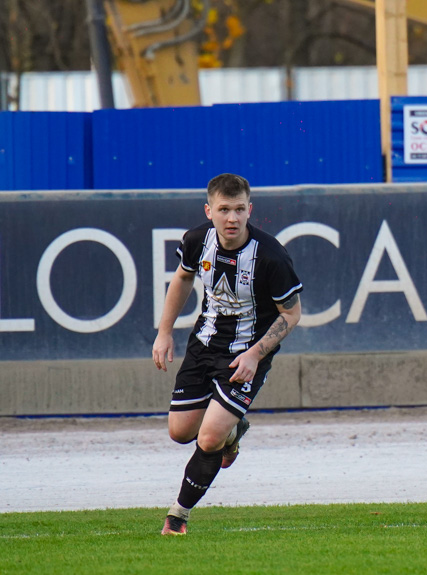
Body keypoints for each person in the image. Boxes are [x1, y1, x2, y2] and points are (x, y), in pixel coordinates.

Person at [152, 173, 303, 535]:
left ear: (250, 210)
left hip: (246, 355)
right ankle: (233, 433)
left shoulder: (270, 256)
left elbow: (292, 313)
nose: (232, 218)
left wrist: (255, 355)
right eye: (223, 210)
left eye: (239, 209)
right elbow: (184, 278)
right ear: (210, 211)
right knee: (179, 432)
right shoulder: (196, 240)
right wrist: (164, 331)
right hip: (203, 345)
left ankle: (178, 516)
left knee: (208, 440)